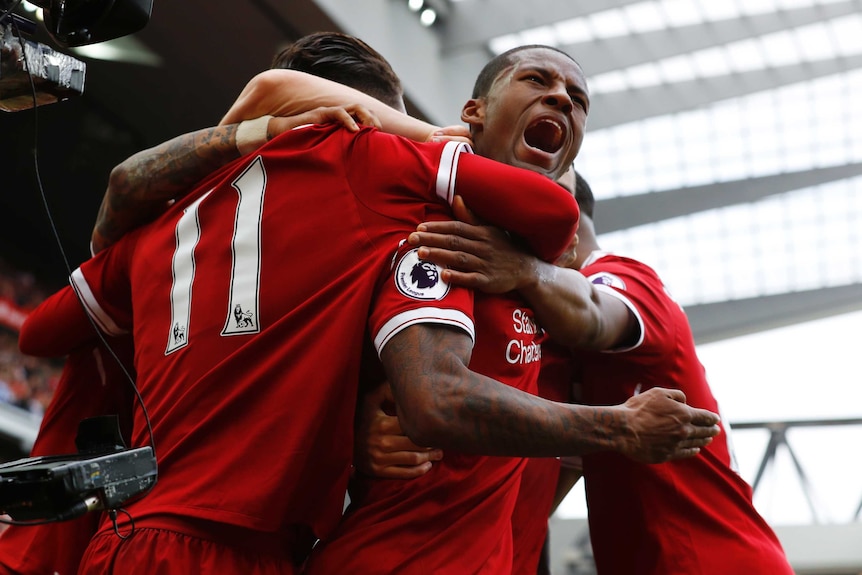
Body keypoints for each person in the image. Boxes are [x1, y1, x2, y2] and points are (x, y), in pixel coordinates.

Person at [408, 170, 795, 574]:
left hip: (713, 560)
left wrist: (526, 269)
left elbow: (592, 312)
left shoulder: (623, 277)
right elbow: (535, 483)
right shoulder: (543, 338)